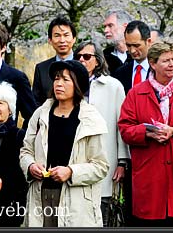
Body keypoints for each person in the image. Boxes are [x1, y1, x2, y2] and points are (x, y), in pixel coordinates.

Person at [117, 39, 173, 227]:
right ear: (153, 63)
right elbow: (125, 129)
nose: (172, 64)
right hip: (150, 175)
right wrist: (147, 133)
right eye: (166, 60)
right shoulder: (136, 93)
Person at [19, 60, 109, 227]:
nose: (59, 84)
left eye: (66, 80)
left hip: (76, 202)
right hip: (41, 195)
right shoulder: (40, 114)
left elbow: (101, 166)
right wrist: (31, 166)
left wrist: (71, 172)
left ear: (78, 85)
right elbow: (26, 150)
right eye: (56, 79)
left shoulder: (90, 119)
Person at [74, 41, 129, 226]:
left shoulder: (113, 86)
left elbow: (121, 126)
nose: (82, 60)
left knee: (103, 211)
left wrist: (122, 161)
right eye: (78, 57)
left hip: (106, 156)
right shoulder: (68, 85)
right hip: (75, 158)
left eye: (87, 57)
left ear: (97, 61)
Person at [0, 82, 28, 227]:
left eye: (0, 103)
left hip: (9, 208)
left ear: (10, 110)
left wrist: (4, 182)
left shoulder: (20, 136)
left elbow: (24, 172)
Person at [32, 15, 77, 106]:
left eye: (66, 35)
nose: (62, 40)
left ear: (74, 39)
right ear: (50, 40)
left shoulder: (83, 64)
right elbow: (36, 102)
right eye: (57, 36)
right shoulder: (42, 68)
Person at [102, 9, 133, 74]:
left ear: (125, 27)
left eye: (110, 26)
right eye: (105, 26)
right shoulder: (103, 57)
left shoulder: (140, 55)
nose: (105, 30)